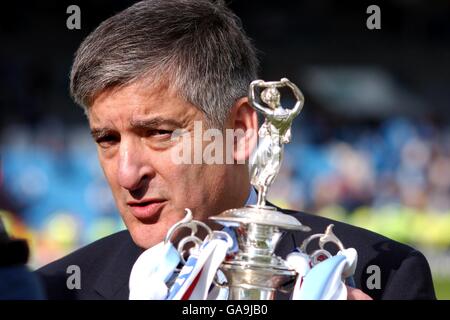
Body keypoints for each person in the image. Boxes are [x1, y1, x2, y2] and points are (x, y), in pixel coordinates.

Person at [36, 0, 435, 300]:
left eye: (158, 132)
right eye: (107, 139)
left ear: (241, 131)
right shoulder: (57, 289)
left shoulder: (382, 278)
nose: (126, 174)